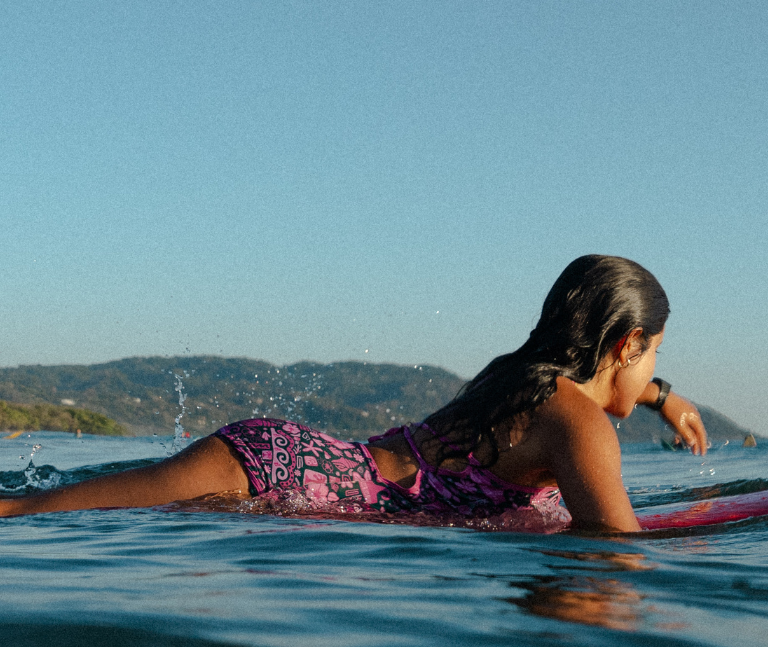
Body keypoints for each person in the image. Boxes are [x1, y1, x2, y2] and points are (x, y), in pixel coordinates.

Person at [0, 256, 707, 532]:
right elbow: (616, 550)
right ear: (626, 345)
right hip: (283, 474)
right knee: (21, 512)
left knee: (33, 508)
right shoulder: (580, 426)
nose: (654, 369)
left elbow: (596, 385)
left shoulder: (516, 378)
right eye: (655, 354)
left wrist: (661, 395)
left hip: (287, 457)